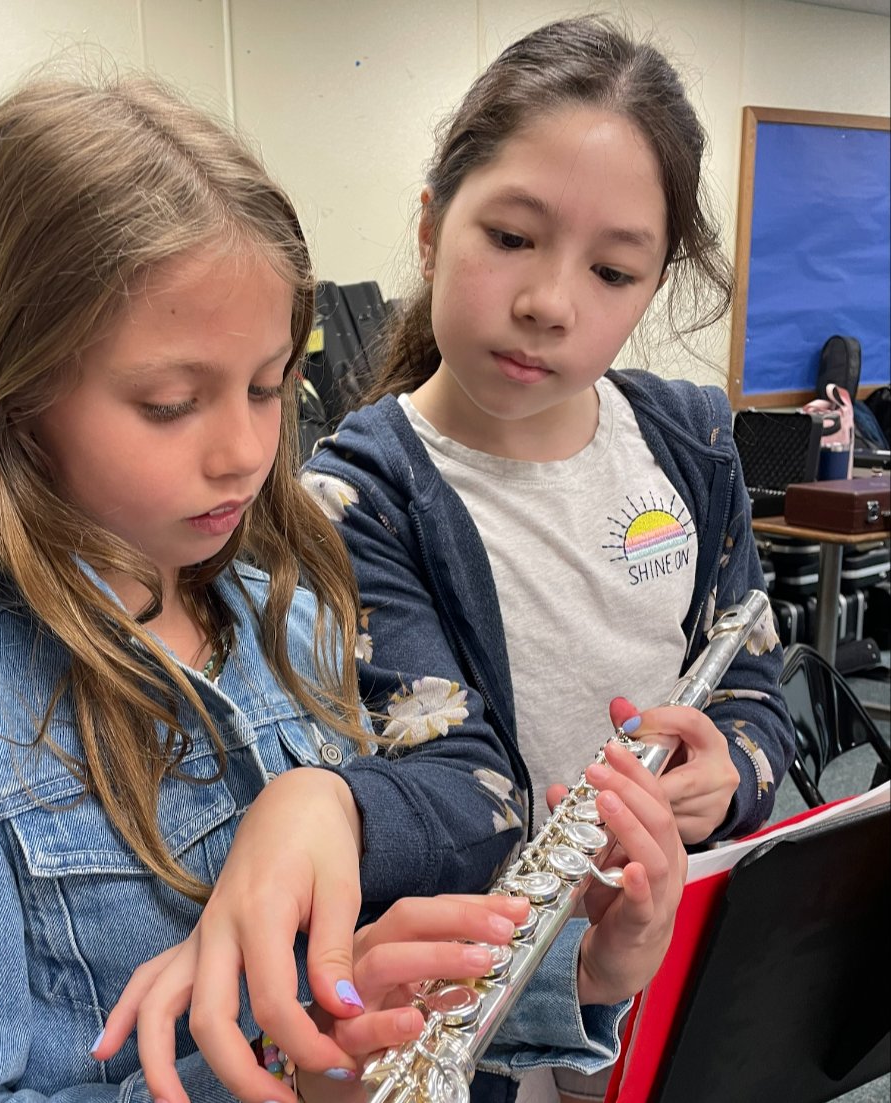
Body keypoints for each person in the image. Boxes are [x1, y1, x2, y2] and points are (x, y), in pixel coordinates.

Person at [0, 74, 687, 1103]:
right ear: (10, 391)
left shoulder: (293, 613)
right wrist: (295, 1072)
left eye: (271, 383)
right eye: (171, 402)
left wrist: (576, 972)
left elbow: (379, 959)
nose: (244, 451)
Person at [302, 15, 793, 1102]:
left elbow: (756, 684)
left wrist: (727, 773)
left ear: (652, 287)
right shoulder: (356, 494)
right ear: (431, 227)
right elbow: (450, 792)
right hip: (464, 1007)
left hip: (659, 974)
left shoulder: (690, 445)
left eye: (613, 270)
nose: (549, 303)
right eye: (513, 238)